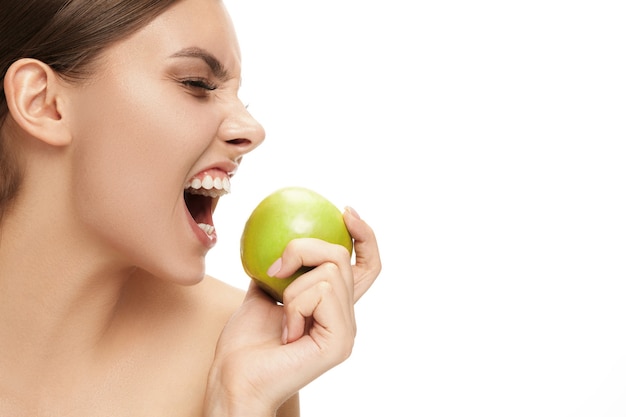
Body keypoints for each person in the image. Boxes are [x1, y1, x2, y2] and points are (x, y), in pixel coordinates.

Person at [0, 0, 382, 416]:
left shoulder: (236, 351)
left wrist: (238, 403)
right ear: (43, 102)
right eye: (197, 84)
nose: (252, 131)